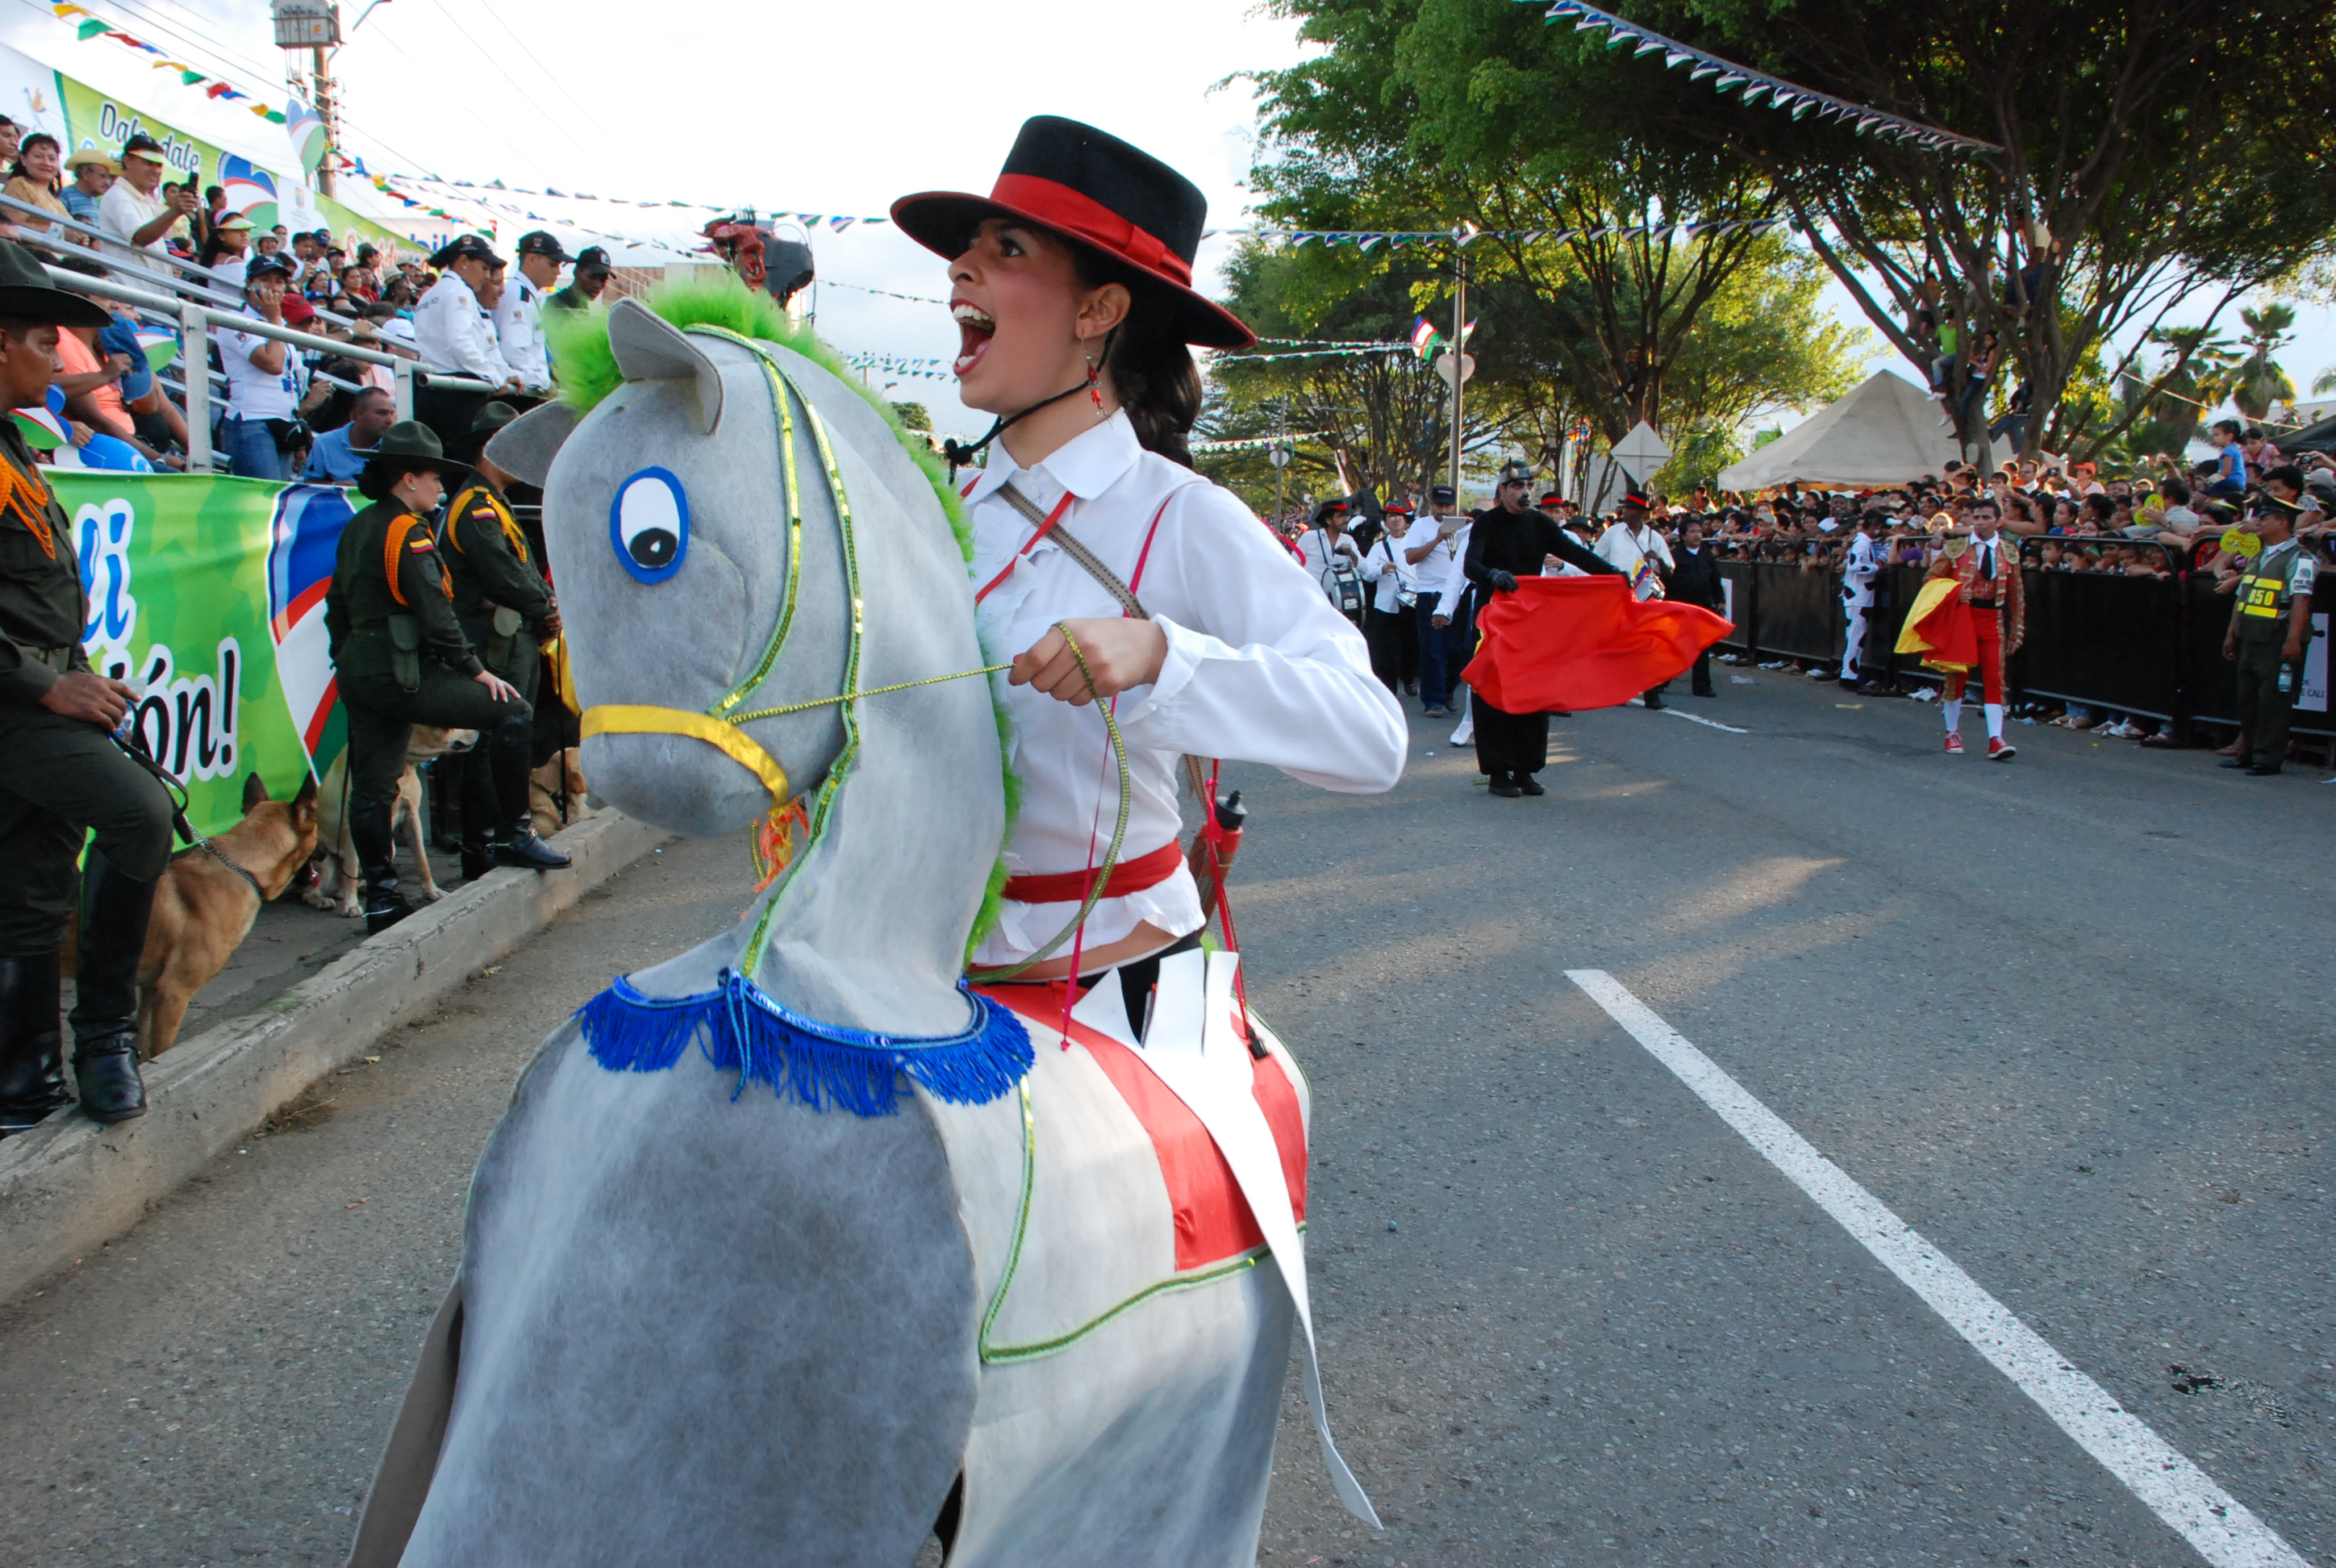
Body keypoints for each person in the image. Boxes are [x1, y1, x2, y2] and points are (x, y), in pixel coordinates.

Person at [890, 113, 1404, 986]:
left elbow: (1372, 736)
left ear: (1099, 310)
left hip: (1110, 993)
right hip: (918, 980)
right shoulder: (940, 511)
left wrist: (1163, 655)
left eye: (1006, 248)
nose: (959, 269)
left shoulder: (1182, 515)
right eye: (969, 247)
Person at [0, 240, 175, 1136]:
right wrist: (50, 687)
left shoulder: (13, 446)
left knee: (32, 881)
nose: (58, 360)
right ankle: (106, 1035)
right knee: (141, 812)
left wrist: (71, 675)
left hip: (39, 690)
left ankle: (22, 1087)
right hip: (15, 703)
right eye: (45, 342)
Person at [327, 423, 553, 933]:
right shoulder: (408, 531)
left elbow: (335, 605)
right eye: (432, 477)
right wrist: (476, 670)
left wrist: (346, 655)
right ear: (408, 479)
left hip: (360, 667)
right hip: (404, 668)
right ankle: (515, 835)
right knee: (512, 712)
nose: (439, 487)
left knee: (373, 785)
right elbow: (435, 612)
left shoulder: (358, 526)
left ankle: (382, 899)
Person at [441, 402, 569, 878]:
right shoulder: (476, 506)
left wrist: (543, 605)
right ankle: (494, 842)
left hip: (510, 637)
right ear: (489, 449)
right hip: (492, 641)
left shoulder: (493, 502)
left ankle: (493, 842)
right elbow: (502, 573)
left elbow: (519, 569)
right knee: (495, 739)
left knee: (503, 739)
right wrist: (545, 606)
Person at [1462, 461, 1621, 795]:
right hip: (1493, 621)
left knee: (1534, 692)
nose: (1526, 492)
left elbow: (1575, 553)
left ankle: (1525, 769)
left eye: (1529, 486)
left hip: (1530, 620)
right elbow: (1471, 565)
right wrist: (1492, 574)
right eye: (1518, 486)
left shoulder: (1539, 523)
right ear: (1502, 490)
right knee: (1493, 693)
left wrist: (1614, 575)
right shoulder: (1486, 523)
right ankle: (1497, 773)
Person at [2221, 495, 2316, 778]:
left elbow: (2301, 601)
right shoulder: (2259, 555)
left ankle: (2268, 757)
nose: (2258, 523)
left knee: (2273, 700)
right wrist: (2231, 633)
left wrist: (2293, 639)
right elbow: (2243, 598)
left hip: (2277, 635)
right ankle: (2248, 752)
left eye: (2264, 518)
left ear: (2282, 522)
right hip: (2251, 634)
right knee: (2248, 698)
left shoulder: (2301, 558)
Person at [1929, 496, 2024, 759]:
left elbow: (2017, 596)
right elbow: (1931, 579)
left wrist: (2017, 629)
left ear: (1998, 521)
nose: (1980, 523)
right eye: (1977, 517)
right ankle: (1952, 733)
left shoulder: (2009, 551)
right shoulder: (1956, 548)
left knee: (1995, 678)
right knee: (1956, 676)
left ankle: (1996, 739)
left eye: (1986, 518)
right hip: (1963, 617)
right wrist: (1954, 593)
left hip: (1993, 619)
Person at [215, 254, 308, 480]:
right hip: (251, 421)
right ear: (249, 283)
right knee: (264, 494)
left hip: (283, 422)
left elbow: (290, 376)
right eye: (265, 280)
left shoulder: (280, 325)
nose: (273, 287)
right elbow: (273, 364)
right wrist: (275, 318)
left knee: (278, 496)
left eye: (279, 281)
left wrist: (298, 441)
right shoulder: (235, 319)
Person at [1595, 490, 1675, 707]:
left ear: (1642, 513)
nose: (1626, 512)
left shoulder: (1654, 537)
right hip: (1619, 594)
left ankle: (1651, 694)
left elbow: (1670, 570)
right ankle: (1619, 691)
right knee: (1621, 644)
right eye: (1625, 508)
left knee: (1647, 645)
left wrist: (1658, 559)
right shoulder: (1613, 533)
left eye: (1631, 509)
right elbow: (1595, 559)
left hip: (1646, 596)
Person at [412, 234, 521, 391]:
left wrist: (501, 374)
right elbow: (461, 343)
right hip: (458, 385)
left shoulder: (429, 294)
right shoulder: (460, 291)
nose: (487, 276)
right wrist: (495, 378)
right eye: (484, 268)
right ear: (463, 261)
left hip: (431, 383)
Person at [96, 134, 196, 266]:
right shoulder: (118, 196)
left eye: (159, 165)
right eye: (148, 163)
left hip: (145, 278)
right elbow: (139, 237)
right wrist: (174, 212)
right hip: (129, 278)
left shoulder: (146, 198)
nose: (156, 170)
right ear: (127, 161)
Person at [1409, 483, 1465, 715]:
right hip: (1430, 593)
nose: (1444, 509)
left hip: (1457, 593)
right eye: (1440, 505)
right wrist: (1437, 540)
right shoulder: (1420, 526)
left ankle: (1448, 690)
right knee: (1433, 649)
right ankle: (1433, 700)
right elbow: (1411, 557)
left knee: (1459, 650)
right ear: (1432, 504)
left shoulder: (1464, 527)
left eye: (1448, 506)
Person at [1358, 503, 1421, 694]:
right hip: (1386, 605)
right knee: (1387, 648)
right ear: (1385, 523)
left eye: (1398, 516)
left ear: (1406, 521)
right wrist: (1382, 569)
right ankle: (1389, 687)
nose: (1395, 520)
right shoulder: (1379, 547)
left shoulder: (1416, 545)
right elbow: (1367, 574)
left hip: (1412, 602)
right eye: (1390, 517)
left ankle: (1408, 679)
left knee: (1411, 644)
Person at [495, 230, 562, 389]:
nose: (558, 272)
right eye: (553, 264)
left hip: (527, 384)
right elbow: (513, 351)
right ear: (532, 259)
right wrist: (543, 382)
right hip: (523, 388)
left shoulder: (527, 295)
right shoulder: (519, 297)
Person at [1669, 515, 1725, 698]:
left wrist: (1720, 600)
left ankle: (1702, 686)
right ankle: (1661, 679)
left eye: (1699, 531)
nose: (1697, 535)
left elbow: (1715, 578)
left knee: (1702, 646)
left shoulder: (1707, 554)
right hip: (1681, 605)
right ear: (1683, 535)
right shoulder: (1676, 555)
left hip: (1703, 605)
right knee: (1675, 645)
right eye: (1692, 531)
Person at [304, 384, 397, 482]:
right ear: (359, 413)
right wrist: (337, 486)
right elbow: (309, 484)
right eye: (382, 413)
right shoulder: (324, 443)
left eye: (392, 413)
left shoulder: (397, 446)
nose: (389, 420)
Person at [1295, 497, 1366, 622]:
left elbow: (1363, 568)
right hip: (1312, 600)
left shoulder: (1348, 540)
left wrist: (1351, 553)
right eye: (1341, 516)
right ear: (1328, 520)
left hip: (1338, 602)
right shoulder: (1309, 537)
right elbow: (1294, 564)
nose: (1346, 520)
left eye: (1346, 516)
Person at [1840, 507, 1882, 687]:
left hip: (1861, 596)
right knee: (1855, 637)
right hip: (1858, 597)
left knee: (1856, 637)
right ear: (1874, 526)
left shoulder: (1864, 542)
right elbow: (1855, 566)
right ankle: (1849, 675)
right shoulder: (1862, 543)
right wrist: (1876, 568)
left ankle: (1850, 673)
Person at [3, 134, 70, 234]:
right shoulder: (19, 185)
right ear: (23, 159)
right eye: (38, 156)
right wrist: (59, 234)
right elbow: (12, 226)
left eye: (52, 159)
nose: (46, 163)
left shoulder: (56, 200)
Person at [545, 244, 612, 315]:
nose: (598, 285)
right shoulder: (558, 304)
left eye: (603, 279)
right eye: (592, 276)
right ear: (577, 272)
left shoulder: (581, 305)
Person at [199, 211, 255, 294]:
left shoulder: (219, 259)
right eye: (237, 229)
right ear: (221, 235)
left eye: (247, 229)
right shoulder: (232, 262)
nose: (244, 234)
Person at [60, 147, 114, 225]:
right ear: (85, 173)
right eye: (102, 176)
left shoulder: (95, 202)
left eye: (108, 178)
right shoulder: (65, 195)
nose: (107, 182)